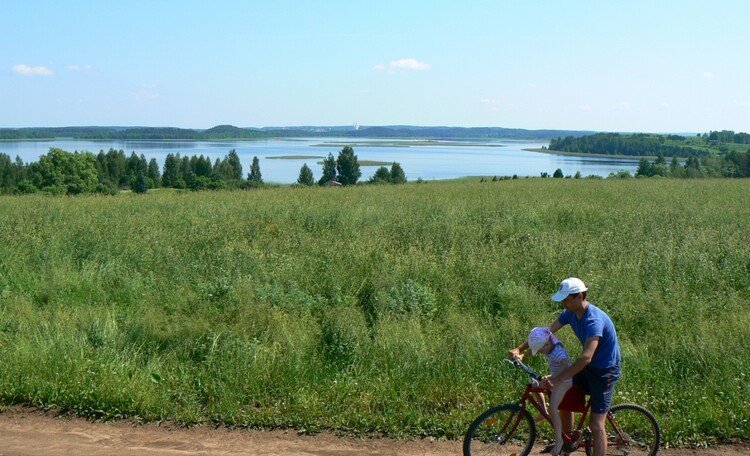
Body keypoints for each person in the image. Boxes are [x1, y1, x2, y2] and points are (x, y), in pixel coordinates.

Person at [508, 277, 621, 456]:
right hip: (587, 367)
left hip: (604, 371)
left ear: (580, 296)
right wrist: (520, 349)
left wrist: (558, 377)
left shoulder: (594, 321)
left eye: (566, 299)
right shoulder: (569, 313)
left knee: (596, 425)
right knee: (564, 400)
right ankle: (566, 444)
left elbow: (585, 358)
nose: (563, 304)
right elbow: (545, 333)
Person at [527, 326, 572, 456]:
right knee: (534, 385)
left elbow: (565, 365)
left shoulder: (558, 351)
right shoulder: (548, 346)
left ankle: (559, 441)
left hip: (565, 381)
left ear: (548, 343)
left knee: (554, 408)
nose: (541, 353)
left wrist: (552, 378)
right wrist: (521, 355)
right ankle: (543, 411)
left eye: (541, 350)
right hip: (556, 377)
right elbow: (532, 351)